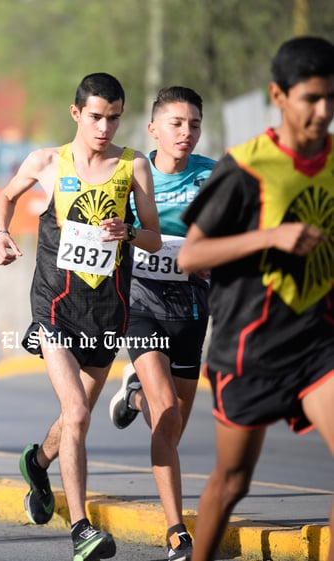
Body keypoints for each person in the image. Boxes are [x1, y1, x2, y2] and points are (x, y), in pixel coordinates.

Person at [0, 73, 161, 561]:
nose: (104, 127)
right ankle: (82, 528)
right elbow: (6, 196)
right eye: (95, 117)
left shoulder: (135, 166)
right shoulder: (48, 162)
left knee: (73, 418)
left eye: (113, 118)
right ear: (76, 114)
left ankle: (38, 462)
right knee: (80, 413)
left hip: (107, 309)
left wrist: (128, 231)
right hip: (55, 308)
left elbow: (153, 236)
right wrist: (2, 233)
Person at [177, 36, 334, 561]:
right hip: (250, 350)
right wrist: (271, 236)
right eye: (312, 98)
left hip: (318, 342)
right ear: (279, 95)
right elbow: (191, 256)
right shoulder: (246, 168)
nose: (324, 111)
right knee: (232, 481)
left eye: (332, 98)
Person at [106, 86, 214, 561]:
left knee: (170, 428)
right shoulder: (131, 173)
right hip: (140, 301)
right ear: (153, 129)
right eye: (176, 123)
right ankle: (177, 530)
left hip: (191, 303)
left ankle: (133, 393)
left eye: (193, 124)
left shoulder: (214, 175)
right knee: (166, 410)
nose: (185, 133)